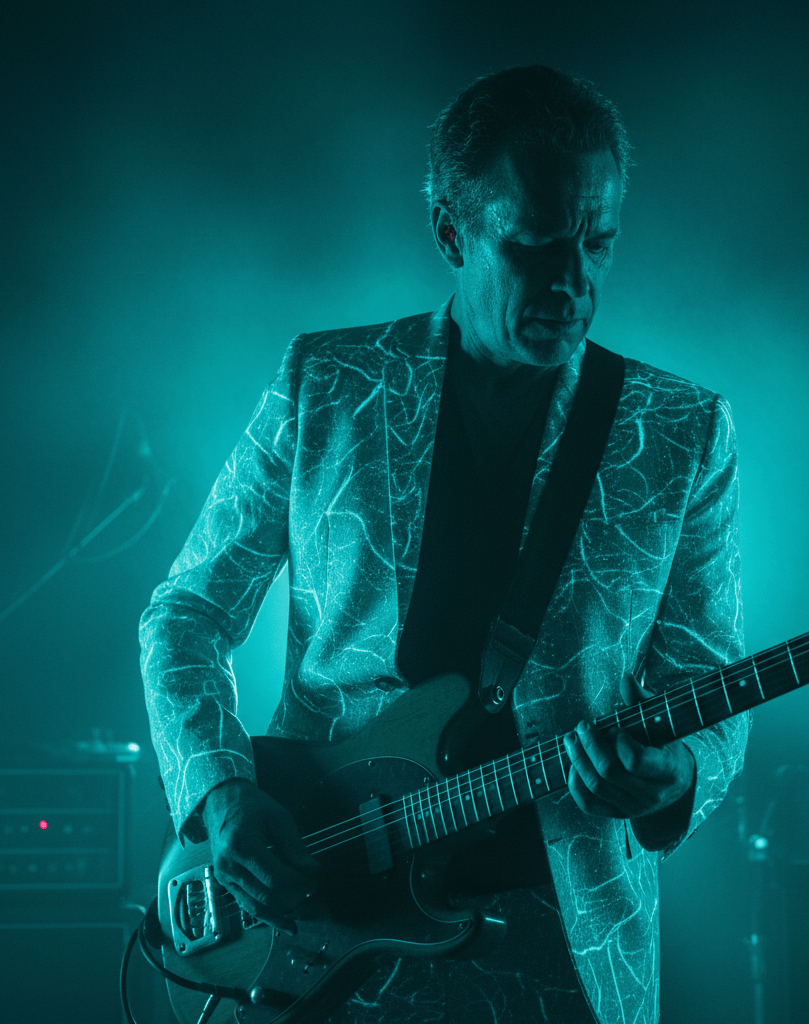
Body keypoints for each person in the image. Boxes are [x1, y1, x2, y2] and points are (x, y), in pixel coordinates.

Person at [140, 65, 750, 1024]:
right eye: (533, 247)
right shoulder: (325, 383)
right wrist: (222, 795)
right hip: (324, 917)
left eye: (599, 243)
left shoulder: (682, 432)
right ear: (450, 232)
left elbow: (707, 686)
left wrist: (678, 775)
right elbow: (184, 613)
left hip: (562, 941)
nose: (573, 283)